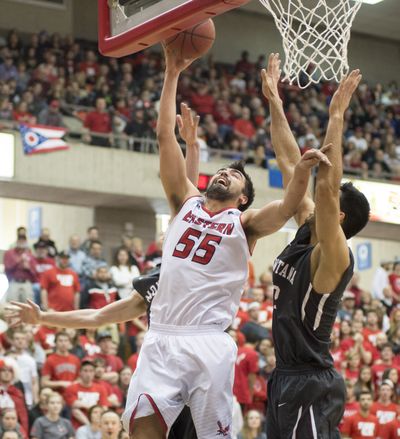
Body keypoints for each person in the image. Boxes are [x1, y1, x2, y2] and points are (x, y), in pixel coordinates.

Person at [120, 43, 330, 439]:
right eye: (221, 172)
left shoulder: (244, 222)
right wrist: (172, 71)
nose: (224, 175)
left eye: (233, 177)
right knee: (140, 433)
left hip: (207, 341)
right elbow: (165, 136)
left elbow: (287, 208)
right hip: (161, 336)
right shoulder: (185, 201)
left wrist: (300, 170)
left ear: (243, 196)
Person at [262, 53, 370, 437]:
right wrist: (275, 102)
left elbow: (325, 184)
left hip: (310, 383)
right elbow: (292, 161)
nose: (321, 196)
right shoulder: (307, 229)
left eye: (330, 201)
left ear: (339, 218)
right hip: (286, 377)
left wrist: (336, 117)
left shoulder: (334, 255)